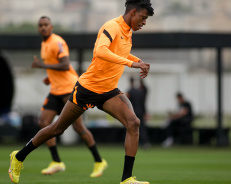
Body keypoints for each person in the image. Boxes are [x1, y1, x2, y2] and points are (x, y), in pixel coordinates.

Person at [8, 0, 154, 184]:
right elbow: (101, 51)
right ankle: (19, 157)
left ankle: (127, 179)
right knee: (57, 128)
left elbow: (121, 53)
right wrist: (132, 64)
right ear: (133, 12)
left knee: (134, 123)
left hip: (109, 91)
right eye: (143, 17)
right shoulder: (112, 26)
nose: (144, 22)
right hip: (87, 89)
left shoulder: (127, 31)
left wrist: (138, 61)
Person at [29, 16, 107, 177]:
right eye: (40, 25)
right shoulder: (44, 44)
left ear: (51, 27)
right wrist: (49, 76)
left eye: (46, 25)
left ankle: (99, 161)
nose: (43, 27)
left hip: (69, 88)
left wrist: (42, 66)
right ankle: (56, 161)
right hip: (56, 89)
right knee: (43, 121)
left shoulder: (57, 41)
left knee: (78, 127)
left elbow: (65, 65)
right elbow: (56, 67)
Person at [126, 77, 151, 149]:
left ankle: (131, 143)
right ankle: (146, 143)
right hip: (140, 112)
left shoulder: (130, 91)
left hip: (133, 113)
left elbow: (127, 102)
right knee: (142, 128)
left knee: (131, 128)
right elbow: (143, 103)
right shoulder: (140, 92)